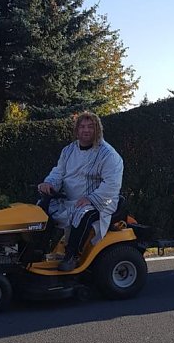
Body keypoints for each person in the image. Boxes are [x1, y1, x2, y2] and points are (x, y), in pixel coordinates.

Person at [38, 111, 123, 271]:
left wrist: (91, 198)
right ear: (77, 130)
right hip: (69, 199)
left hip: (101, 201)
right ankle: (38, 251)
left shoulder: (108, 155)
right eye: (82, 126)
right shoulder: (68, 151)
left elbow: (112, 184)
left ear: (98, 129)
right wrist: (49, 183)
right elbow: (58, 172)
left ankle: (72, 256)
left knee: (82, 213)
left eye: (90, 126)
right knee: (41, 208)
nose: (86, 130)